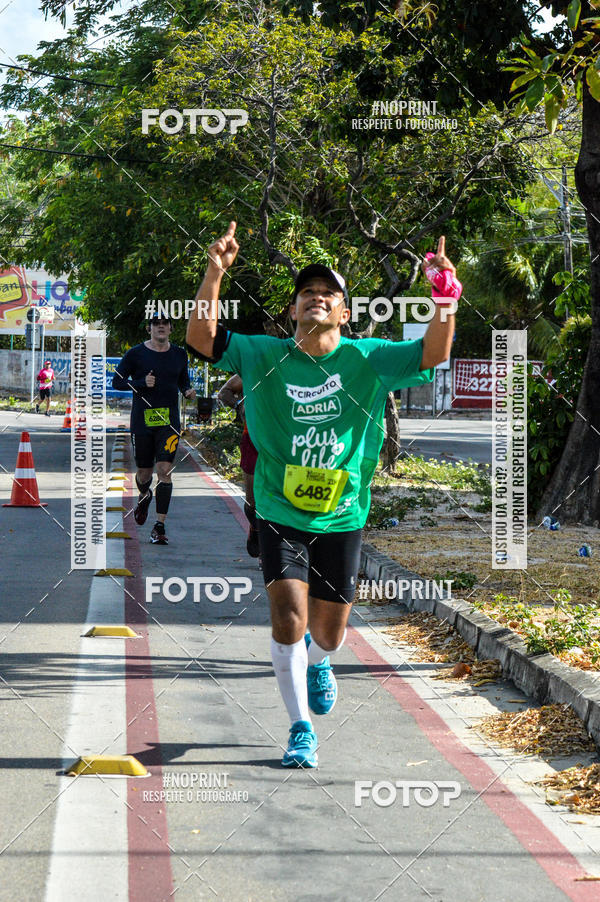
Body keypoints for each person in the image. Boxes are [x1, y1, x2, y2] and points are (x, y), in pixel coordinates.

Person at [186, 223, 456, 767]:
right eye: (307, 294)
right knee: (288, 613)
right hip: (279, 508)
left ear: (344, 313)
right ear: (292, 312)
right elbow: (202, 339)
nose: (316, 299)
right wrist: (215, 271)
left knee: (328, 633)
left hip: (343, 513)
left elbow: (432, 352)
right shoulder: (263, 354)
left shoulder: (369, 358)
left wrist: (444, 297)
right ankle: (299, 730)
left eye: (328, 294)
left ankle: (320, 662)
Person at [113, 313, 196, 545]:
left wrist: (187, 390)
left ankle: (159, 526)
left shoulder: (179, 354)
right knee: (144, 473)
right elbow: (116, 381)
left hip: (169, 422)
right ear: (149, 329)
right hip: (142, 422)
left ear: (170, 329)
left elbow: (182, 380)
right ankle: (144, 494)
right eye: (156, 324)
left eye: (165, 324)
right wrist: (140, 383)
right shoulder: (136, 354)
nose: (160, 327)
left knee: (164, 471)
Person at [217, 374, 260, 558]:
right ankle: (255, 527)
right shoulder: (253, 366)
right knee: (252, 499)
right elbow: (223, 393)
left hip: (281, 442)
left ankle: (270, 547)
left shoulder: (295, 367)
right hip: (252, 439)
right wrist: (239, 405)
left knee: (278, 496)